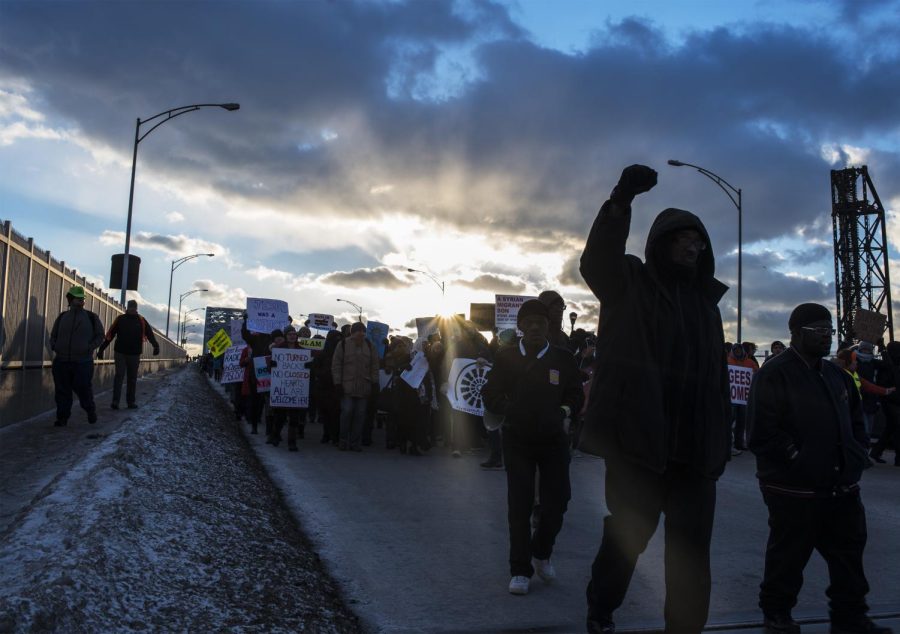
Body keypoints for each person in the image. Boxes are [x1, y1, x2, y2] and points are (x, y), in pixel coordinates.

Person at [578, 164, 731, 634]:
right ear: (662, 242)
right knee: (627, 541)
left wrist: (720, 445)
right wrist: (621, 200)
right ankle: (601, 609)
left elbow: (718, 382)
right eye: (683, 238)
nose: (693, 246)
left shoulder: (706, 304)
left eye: (699, 240)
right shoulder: (629, 283)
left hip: (694, 456)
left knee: (690, 559)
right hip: (639, 448)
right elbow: (596, 261)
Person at [748, 303, 890, 634]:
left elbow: (855, 421)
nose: (827, 337)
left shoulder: (837, 375)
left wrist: (856, 454)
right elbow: (761, 433)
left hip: (840, 487)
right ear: (796, 333)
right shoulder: (774, 373)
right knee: (788, 557)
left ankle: (850, 618)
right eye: (818, 332)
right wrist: (798, 458)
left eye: (830, 331)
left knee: (849, 558)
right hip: (793, 490)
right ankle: (777, 615)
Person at [481, 299, 583, 596]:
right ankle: (520, 570)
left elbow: (576, 394)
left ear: (549, 327)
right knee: (520, 506)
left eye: (542, 322)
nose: (536, 326)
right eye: (530, 322)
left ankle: (541, 552)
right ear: (521, 327)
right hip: (518, 441)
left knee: (558, 503)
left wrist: (563, 412)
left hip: (553, 441)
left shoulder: (563, 359)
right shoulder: (506, 357)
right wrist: (510, 410)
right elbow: (490, 393)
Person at [49, 285, 105, 426]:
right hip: (61, 361)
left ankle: (90, 410)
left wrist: (89, 348)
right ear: (71, 299)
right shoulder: (62, 317)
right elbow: (53, 335)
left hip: (83, 362)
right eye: (77, 299)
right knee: (62, 391)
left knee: (83, 389)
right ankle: (62, 418)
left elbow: (100, 335)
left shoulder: (91, 317)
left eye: (81, 299)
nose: (79, 301)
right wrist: (54, 345)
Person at [96, 299, 159, 409]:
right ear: (127, 308)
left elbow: (150, 334)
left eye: (134, 307)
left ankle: (130, 402)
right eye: (130, 307)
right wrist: (102, 349)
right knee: (119, 376)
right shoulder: (120, 319)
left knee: (132, 378)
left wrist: (155, 345)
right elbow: (110, 335)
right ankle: (115, 402)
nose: (132, 309)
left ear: (136, 308)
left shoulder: (141, 320)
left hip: (134, 354)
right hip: (120, 353)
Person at [332, 322, 379, 451]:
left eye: (363, 331)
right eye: (358, 331)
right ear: (353, 332)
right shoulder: (343, 345)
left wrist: (374, 382)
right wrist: (337, 383)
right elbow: (336, 365)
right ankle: (343, 440)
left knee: (360, 415)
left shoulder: (370, 346)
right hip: (346, 387)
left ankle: (355, 442)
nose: (361, 333)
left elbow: (375, 366)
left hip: (364, 388)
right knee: (346, 412)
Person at [728, 343, 757, 455]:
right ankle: (728, 445)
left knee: (742, 422)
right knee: (730, 421)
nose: (738, 352)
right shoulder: (727, 361)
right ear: (732, 351)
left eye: (739, 350)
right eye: (735, 350)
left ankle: (739, 443)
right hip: (732, 398)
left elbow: (757, 374)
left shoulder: (750, 363)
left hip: (744, 398)